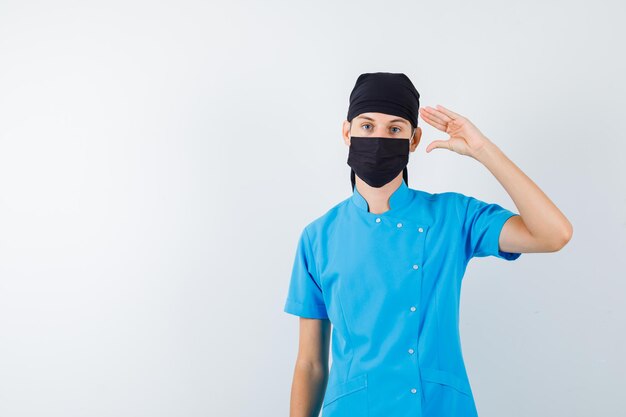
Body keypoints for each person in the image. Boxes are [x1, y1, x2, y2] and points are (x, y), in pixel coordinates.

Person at [283, 72, 573, 417]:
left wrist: (482, 150)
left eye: (394, 129)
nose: (378, 137)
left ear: (414, 139)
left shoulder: (454, 216)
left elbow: (553, 234)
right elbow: (311, 364)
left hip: (439, 407)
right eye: (366, 126)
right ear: (347, 133)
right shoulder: (318, 237)